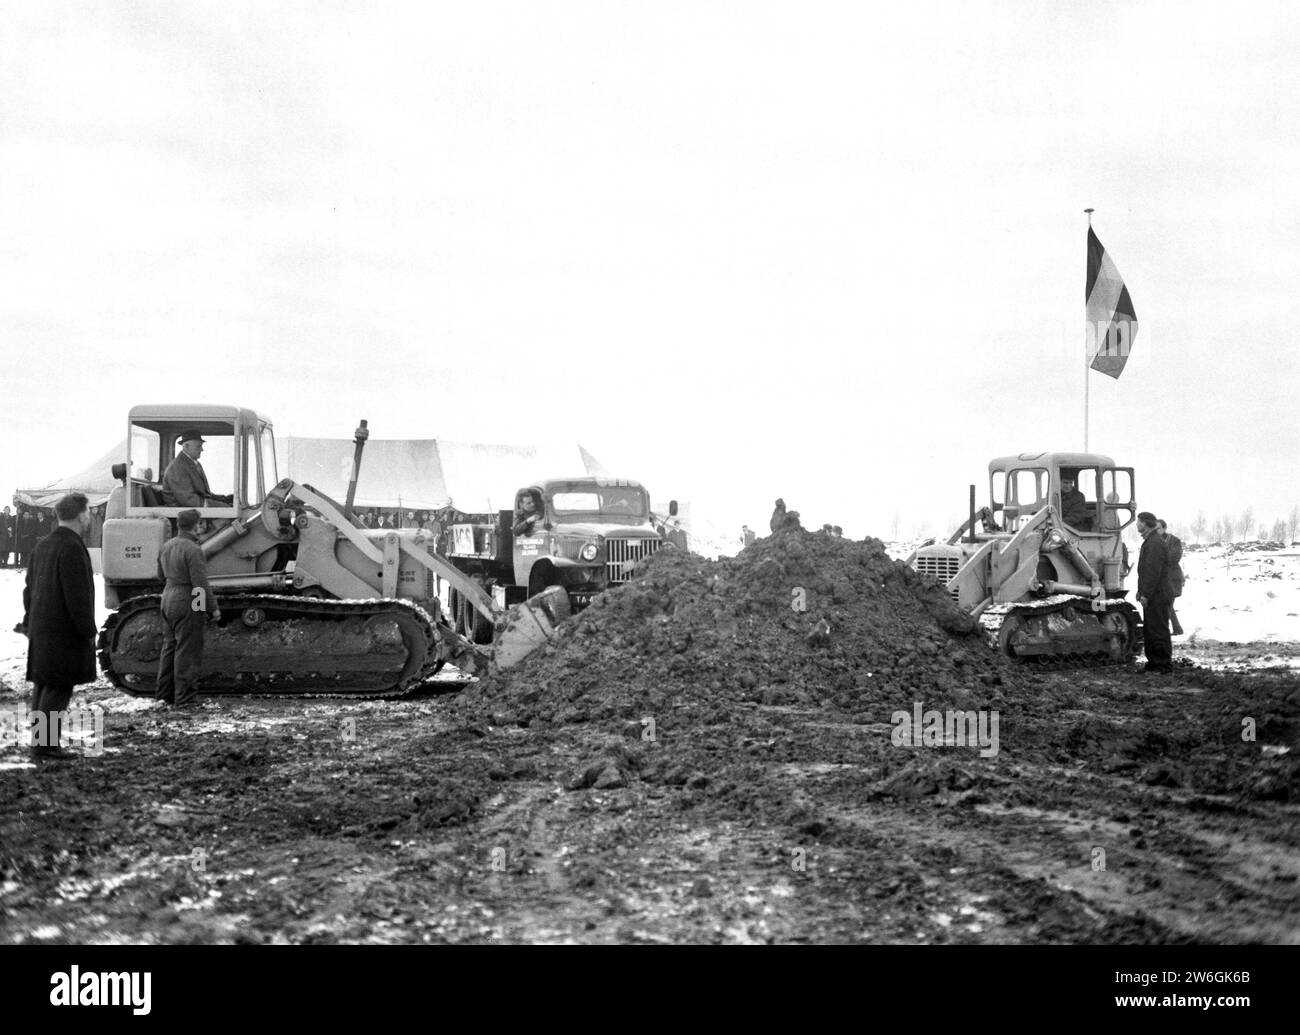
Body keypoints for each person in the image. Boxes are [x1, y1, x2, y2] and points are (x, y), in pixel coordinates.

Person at [19, 492, 97, 760]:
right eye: (87, 513)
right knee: (59, 685)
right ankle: (45, 746)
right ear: (81, 515)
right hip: (64, 630)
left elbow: (28, 589)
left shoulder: (43, 545)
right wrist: (88, 630)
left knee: (44, 684)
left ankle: (41, 741)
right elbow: (78, 596)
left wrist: (30, 619)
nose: (89, 518)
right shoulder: (73, 547)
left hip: (42, 626)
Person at [156, 509, 221, 708]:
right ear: (196, 525)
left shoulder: (167, 546)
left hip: (167, 597)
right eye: (200, 524)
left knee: (169, 647)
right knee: (188, 650)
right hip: (187, 598)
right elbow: (199, 584)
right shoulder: (193, 549)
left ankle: (163, 696)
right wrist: (210, 609)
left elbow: (160, 575)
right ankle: (185, 700)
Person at [1136, 511, 1173, 674]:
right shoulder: (1151, 541)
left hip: (1158, 594)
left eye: (1138, 522)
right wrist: (1141, 592)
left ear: (1144, 523)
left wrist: (1146, 594)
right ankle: (1153, 663)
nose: (1137, 524)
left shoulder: (1154, 543)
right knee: (1151, 629)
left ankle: (1163, 664)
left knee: (1158, 629)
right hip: (1153, 593)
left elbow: (1153, 572)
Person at [162, 429, 231, 507]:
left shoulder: (195, 464)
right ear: (186, 446)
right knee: (229, 511)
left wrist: (225, 499)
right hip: (184, 515)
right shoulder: (176, 467)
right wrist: (223, 506)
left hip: (194, 510)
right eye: (199, 446)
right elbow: (188, 500)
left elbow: (204, 494)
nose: (202, 450)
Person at [1158, 518, 1186, 636]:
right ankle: (1176, 629)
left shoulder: (1174, 541)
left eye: (1158, 528)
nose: (1156, 530)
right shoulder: (1154, 541)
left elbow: (1175, 557)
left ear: (1164, 528)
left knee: (1167, 603)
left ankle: (1170, 629)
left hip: (1172, 577)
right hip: (1161, 578)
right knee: (1166, 604)